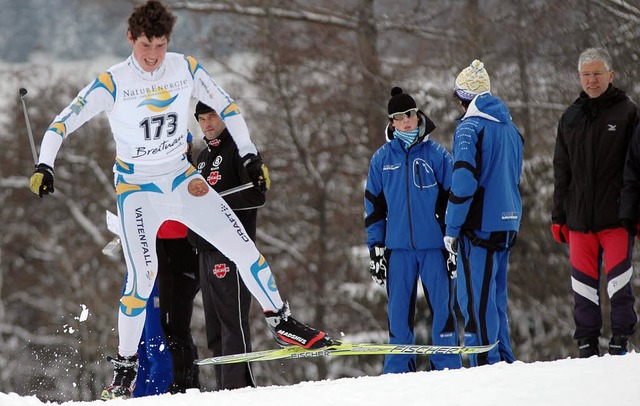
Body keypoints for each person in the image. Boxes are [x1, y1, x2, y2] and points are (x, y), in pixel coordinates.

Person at [28, 0, 333, 400]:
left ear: (167, 41)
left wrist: (250, 155)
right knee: (143, 279)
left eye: (159, 46)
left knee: (244, 249)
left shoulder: (184, 68)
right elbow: (61, 123)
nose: (153, 56)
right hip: (137, 189)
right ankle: (124, 368)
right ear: (130, 39)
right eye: (145, 47)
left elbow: (227, 106)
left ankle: (283, 322)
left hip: (181, 178)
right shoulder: (113, 82)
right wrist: (45, 165)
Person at [364, 87, 461, 373]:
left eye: (410, 114)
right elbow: (374, 208)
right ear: (392, 122)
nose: (406, 121)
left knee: (442, 309)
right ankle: (398, 371)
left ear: (418, 115)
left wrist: (453, 239)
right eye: (399, 117)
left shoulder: (437, 155)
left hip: (434, 247)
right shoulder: (381, 159)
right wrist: (376, 249)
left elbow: (454, 199)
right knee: (398, 314)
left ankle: (446, 366)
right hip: (398, 250)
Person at [553, 47, 638, 358]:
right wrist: (557, 216)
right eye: (586, 74)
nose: (591, 80)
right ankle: (586, 345)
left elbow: (637, 167)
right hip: (578, 219)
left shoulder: (628, 113)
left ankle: (621, 342)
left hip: (617, 217)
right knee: (583, 287)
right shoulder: (570, 117)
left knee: (619, 285)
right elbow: (561, 170)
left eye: (597, 74)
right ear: (579, 77)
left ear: (610, 75)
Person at [444, 59, 523, 367]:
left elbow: (463, 183)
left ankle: (484, 363)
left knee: (475, 299)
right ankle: (503, 357)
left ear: (464, 98)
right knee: (496, 297)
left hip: (479, 226)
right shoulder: (510, 127)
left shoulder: (469, 129)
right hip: (508, 220)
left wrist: (452, 228)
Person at [189, 101, 265, 390]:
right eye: (201, 119)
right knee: (214, 329)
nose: (207, 124)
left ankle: (239, 388)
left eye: (212, 117)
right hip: (204, 249)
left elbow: (257, 194)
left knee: (233, 322)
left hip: (231, 247)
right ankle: (224, 389)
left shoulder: (241, 150)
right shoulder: (203, 156)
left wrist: (215, 204)